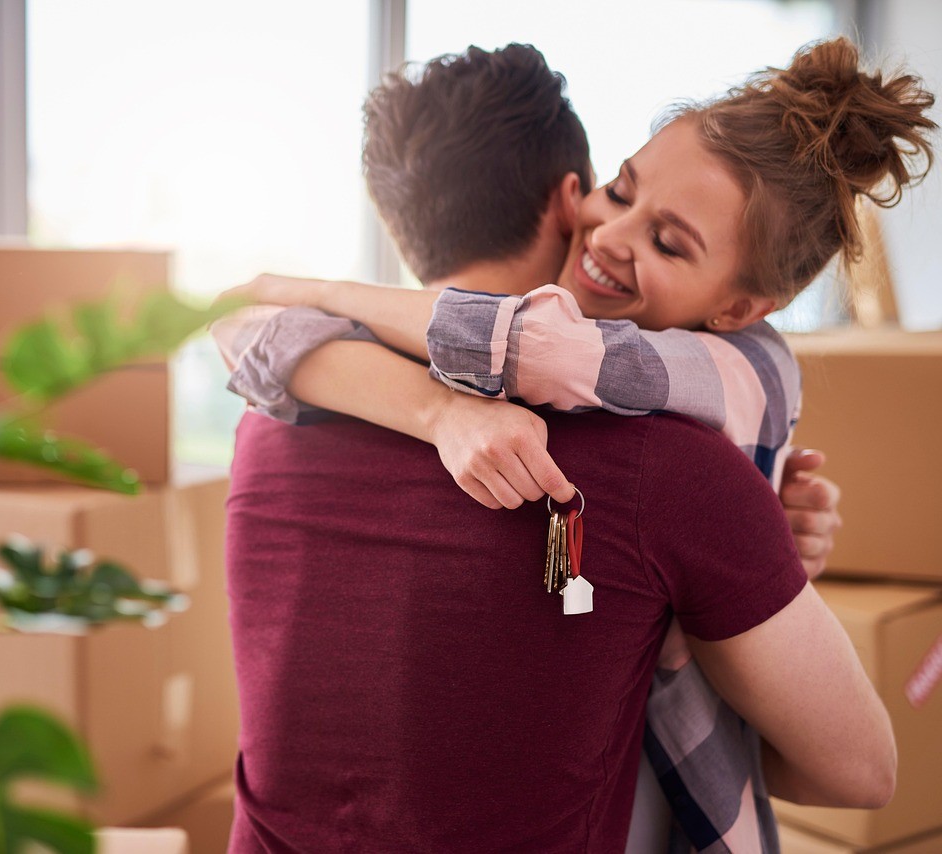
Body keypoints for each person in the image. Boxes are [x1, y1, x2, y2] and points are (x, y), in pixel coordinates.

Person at [221, 39, 930, 851]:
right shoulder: (673, 473)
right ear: (571, 196)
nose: (613, 232)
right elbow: (859, 772)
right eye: (619, 191)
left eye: (668, 241)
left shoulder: (270, 414)